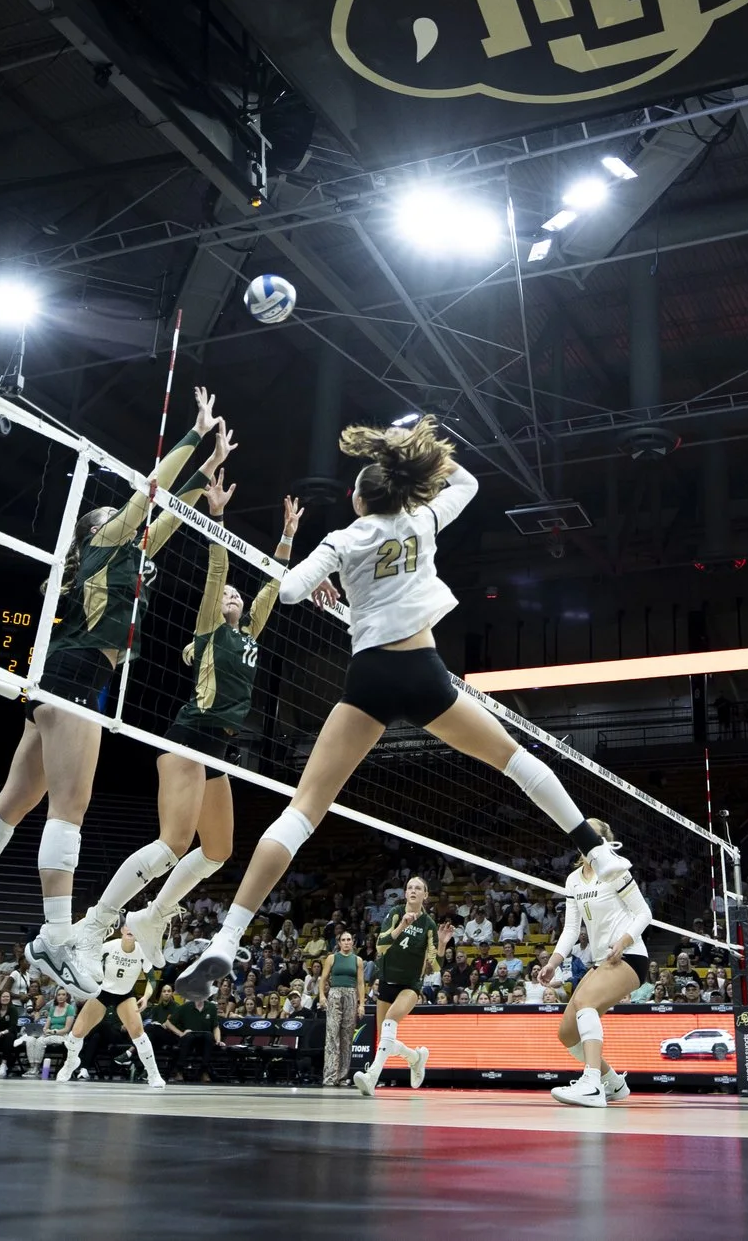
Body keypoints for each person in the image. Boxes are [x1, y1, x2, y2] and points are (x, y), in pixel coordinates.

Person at [175, 417, 628, 1001]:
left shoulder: (343, 538)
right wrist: (403, 439)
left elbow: (287, 592)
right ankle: (597, 852)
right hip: (424, 672)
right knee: (515, 760)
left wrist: (323, 576)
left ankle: (226, 939)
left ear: (357, 499)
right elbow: (467, 483)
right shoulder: (424, 517)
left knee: (303, 812)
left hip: (368, 679)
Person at [0, 389, 229, 980]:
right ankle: (55, 937)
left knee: (15, 802)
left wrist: (206, 475)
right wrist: (193, 436)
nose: (133, 529)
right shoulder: (108, 543)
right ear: (100, 530)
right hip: (78, 676)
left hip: (64, 676)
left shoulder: (124, 556)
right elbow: (149, 498)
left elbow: (164, 521)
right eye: (119, 523)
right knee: (70, 808)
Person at [62, 482, 299, 989]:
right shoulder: (210, 627)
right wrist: (217, 520)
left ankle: (153, 916)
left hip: (219, 747)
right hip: (190, 735)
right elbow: (219, 572)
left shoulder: (248, 634)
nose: (234, 596)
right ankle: (95, 923)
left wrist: (286, 538)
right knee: (172, 844)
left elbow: (272, 588)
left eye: (239, 595)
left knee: (218, 850)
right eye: (230, 595)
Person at [540, 820, 653, 1108]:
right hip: (601, 961)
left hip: (629, 956)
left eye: (588, 832)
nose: (582, 836)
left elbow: (644, 913)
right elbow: (570, 928)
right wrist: (554, 962)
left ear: (601, 840)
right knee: (566, 1033)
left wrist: (624, 941)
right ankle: (613, 1083)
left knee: (586, 1001)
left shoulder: (615, 870)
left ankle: (591, 1083)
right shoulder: (574, 879)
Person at [355, 878, 436, 1096]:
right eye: (410, 887)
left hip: (410, 985)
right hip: (387, 981)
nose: (413, 890)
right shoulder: (396, 912)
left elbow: (436, 963)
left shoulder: (429, 925)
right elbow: (380, 944)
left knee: (390, 1021)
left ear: (425, 895)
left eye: (418, 888)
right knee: (385, 1039)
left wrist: (443, 943)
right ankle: (416, 1058)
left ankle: (371, 1077)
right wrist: (402, 926)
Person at [63, 927, 166, 1086]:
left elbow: (151, 979)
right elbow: (88, 965)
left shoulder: (142, 952)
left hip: (125, 994)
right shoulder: (109, 947)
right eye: (128, 926)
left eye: (134, 926)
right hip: (103, 992)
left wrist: (145, 997)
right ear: (123, 930)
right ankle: (69, 1065)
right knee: (76, 1033)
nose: (131, 929)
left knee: (139, 1034)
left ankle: (154, 1074)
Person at [322, 930, 366, 1086]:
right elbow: (324, 978)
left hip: (351, 995)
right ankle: (330, 1076)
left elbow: (360, 983)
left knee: (347, 1036)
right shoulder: (332, 958)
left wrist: (362, 1004)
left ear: (352, 942)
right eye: (343, 940)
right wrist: (322, 995)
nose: (347, 942)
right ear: (339, 943)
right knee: (332, 1035)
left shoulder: (358, 960)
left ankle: (341, 1077)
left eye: (349, 939)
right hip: (335, 993)